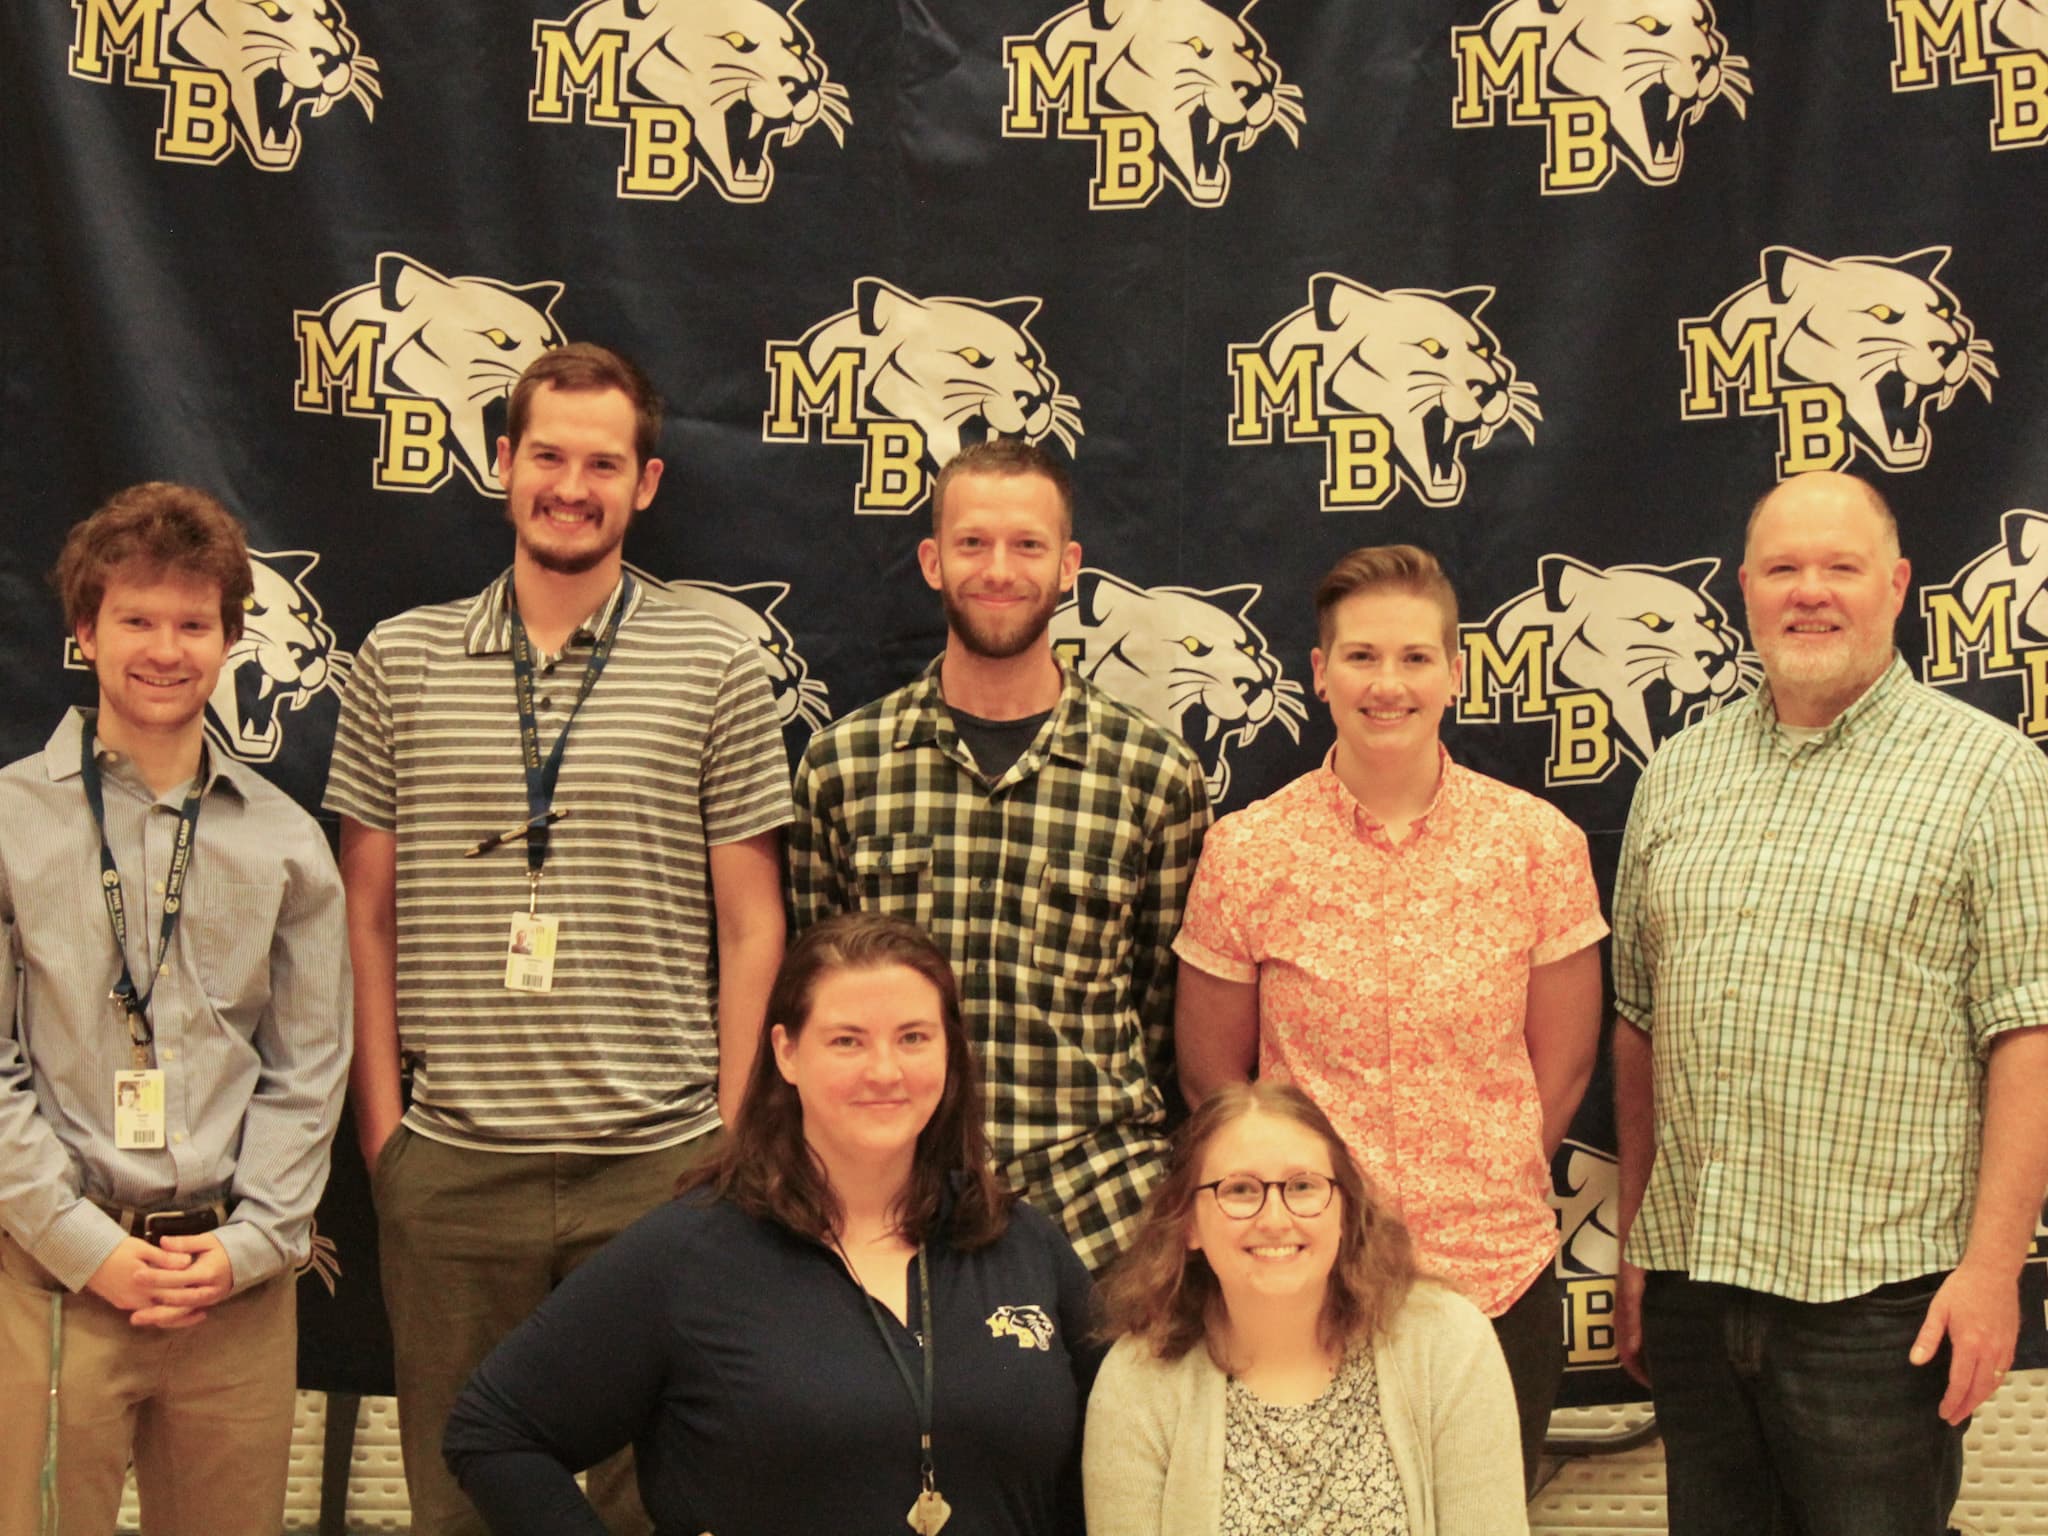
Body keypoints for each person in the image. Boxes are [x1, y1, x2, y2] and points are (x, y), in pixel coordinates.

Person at [324, 343, 791, 1536]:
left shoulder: (718, 657)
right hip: (454, 1168)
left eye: (601, 462)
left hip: (660, 1167)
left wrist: (732, 1141)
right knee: (462, 1498)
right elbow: (359, 916)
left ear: (645, 484)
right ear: (500, 463)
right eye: (547, 456)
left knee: (658, 1504)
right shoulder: (399, 660)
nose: (570, 486)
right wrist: (387, 1140)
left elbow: (752, 923)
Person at [1611, 470, 2048, 1536]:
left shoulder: (1987, 773)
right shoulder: (1676, 772)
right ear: (1744, 590)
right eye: (1782, 569)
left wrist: (1992, 1272)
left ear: (1894, 585)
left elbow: (2027, 1032)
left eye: (1838, 568)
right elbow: (1637, 1022)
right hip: (1695, 1282)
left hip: (1881, 1302)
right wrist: (1633, 1246)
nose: (1809, 592)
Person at [442, 912, 1101, 1536]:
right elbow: (495, 1428)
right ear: (786, 1052)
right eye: (847, 1041)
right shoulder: (690, 1255)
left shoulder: (1023, 1245)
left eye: (913, 1038)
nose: (884, 1070)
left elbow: (1117, 1443)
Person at [1173, 544, 1605, 1489]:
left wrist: (1477, 1179)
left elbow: (1563, 1069)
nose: (1388, 684)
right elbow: (1215, 1079)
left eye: (1415, 659)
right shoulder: (1248, 851)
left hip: (1495, 1280)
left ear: (1455, 673)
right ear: (1320, 672)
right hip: (1304, 1285)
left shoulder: (1538, 846)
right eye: (1362, 657)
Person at [0, 483, 352, 1536]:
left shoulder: (286, 841)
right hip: (54, 1277)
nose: (166, 648)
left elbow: (309, 1067)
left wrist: (249, 1245)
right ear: (83, 631)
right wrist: (79, 1242)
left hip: (232, 1290)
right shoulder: (13, 821)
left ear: (230, 638)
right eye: (136, 620)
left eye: (193, 624)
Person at [788, 438, 1211, 1275]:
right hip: (882, 1214)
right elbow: (810, 999)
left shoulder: (1153, 775)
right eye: (973, 543)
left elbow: (1167, 1021)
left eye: (1028, 545)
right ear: (932, 560)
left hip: (1095, 1216)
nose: (999, 569)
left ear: (1069, 566)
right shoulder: (844, 767)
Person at [1084, 1081, 1529, 1536]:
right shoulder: (1137, 1380)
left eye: (1302, 1186)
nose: (1275, 1219)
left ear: (1345, 1209)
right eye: (1239, 1190)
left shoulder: (1447, 1343)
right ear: (1188, 1224)